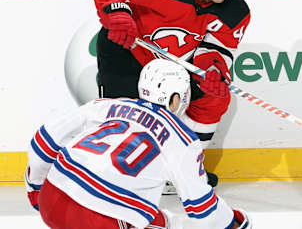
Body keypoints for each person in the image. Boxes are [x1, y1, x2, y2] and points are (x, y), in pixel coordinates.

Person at [91, 0, 251, 187]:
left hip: (170, 66)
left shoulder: (236, 12)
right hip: (128, 49)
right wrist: (118, 13)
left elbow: (217, 49)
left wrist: (214, 70)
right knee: (123, 114)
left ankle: (184, 169)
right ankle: (114, 173)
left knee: (215, 97)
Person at [25, 59, 251, 229]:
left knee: (161, 219)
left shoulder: (105, 105)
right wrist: (233, 222)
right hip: (99, 220)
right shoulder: (183, 140)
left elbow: (43, 140)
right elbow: (201, 207)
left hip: (52, 198)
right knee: (172, 225)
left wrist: (37, 187)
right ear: (175, 98)